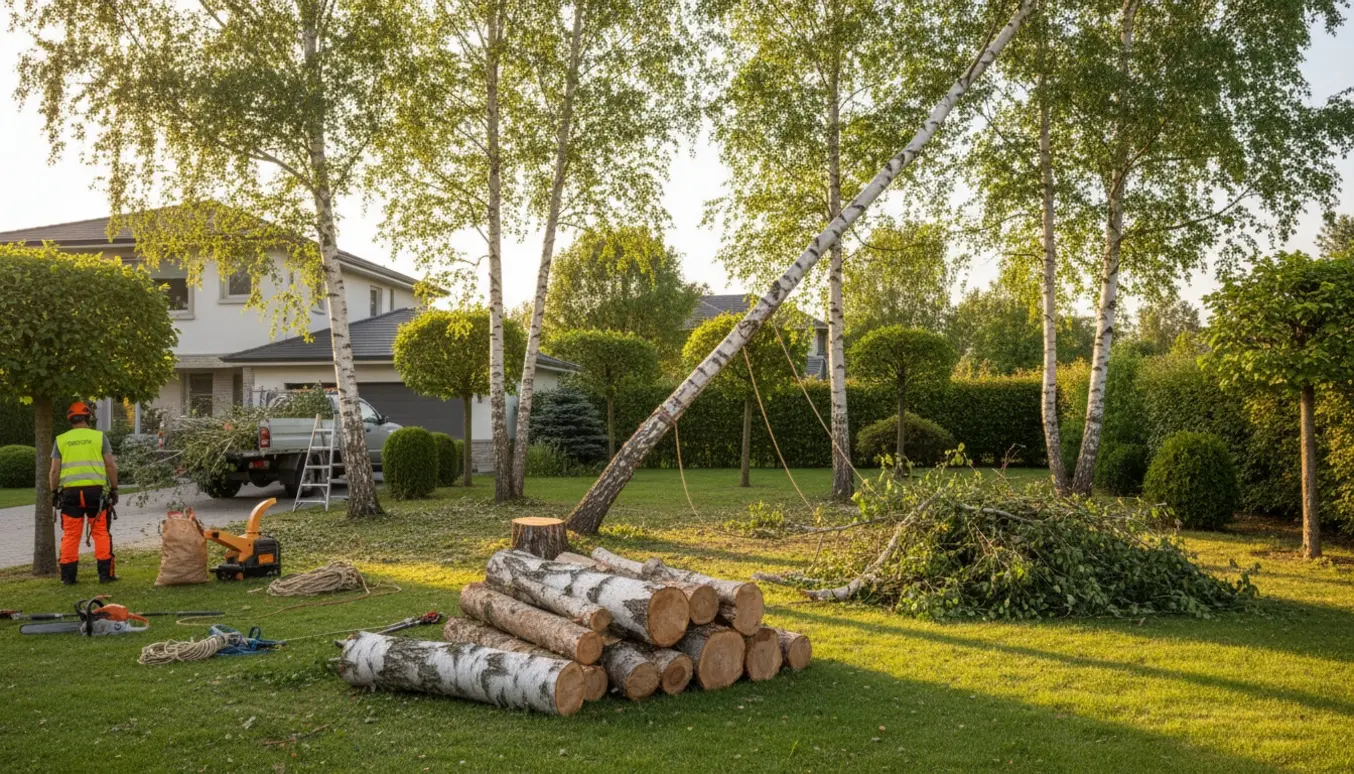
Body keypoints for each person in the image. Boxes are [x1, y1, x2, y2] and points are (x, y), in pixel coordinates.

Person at [49, 402, 119, 584]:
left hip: (70, 494)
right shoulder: (99, 437)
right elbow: (110, 465)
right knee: (101, 532)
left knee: (71, 535)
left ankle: (68, 577)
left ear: (70, 419)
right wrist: (114, 489)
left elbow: (54, 471)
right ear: (88, 418)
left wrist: (54, 492)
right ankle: (105, 575)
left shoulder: (61, 440)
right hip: (96, 494)